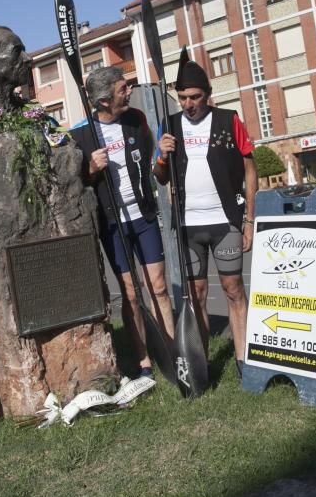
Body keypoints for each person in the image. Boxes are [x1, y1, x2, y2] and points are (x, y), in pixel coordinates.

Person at [153, 60, 257, 375]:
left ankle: (245, 360)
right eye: (183, 97)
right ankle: (202, 366)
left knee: (233, 288)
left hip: (225, 221)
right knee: (196, 295)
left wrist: (249, 219)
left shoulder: (229, 120)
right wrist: (161, 156)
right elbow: (160, 177)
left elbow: (250, 170)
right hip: (187, 227)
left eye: (195, 97)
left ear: (208, 95)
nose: (189, 104)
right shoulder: (168, 125)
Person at [71, 66, 175, 378]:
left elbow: (156, 169)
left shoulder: (136, 120)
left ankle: (171, 351)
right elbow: (76, 186)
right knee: (130, 294)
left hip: (142, 216)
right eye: (122, 89)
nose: (129, 92)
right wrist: (89, 167)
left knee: (158, 286)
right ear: (104, 101)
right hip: (113, 224)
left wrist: (161, 159)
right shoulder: (80, 135)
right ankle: (144, 362)